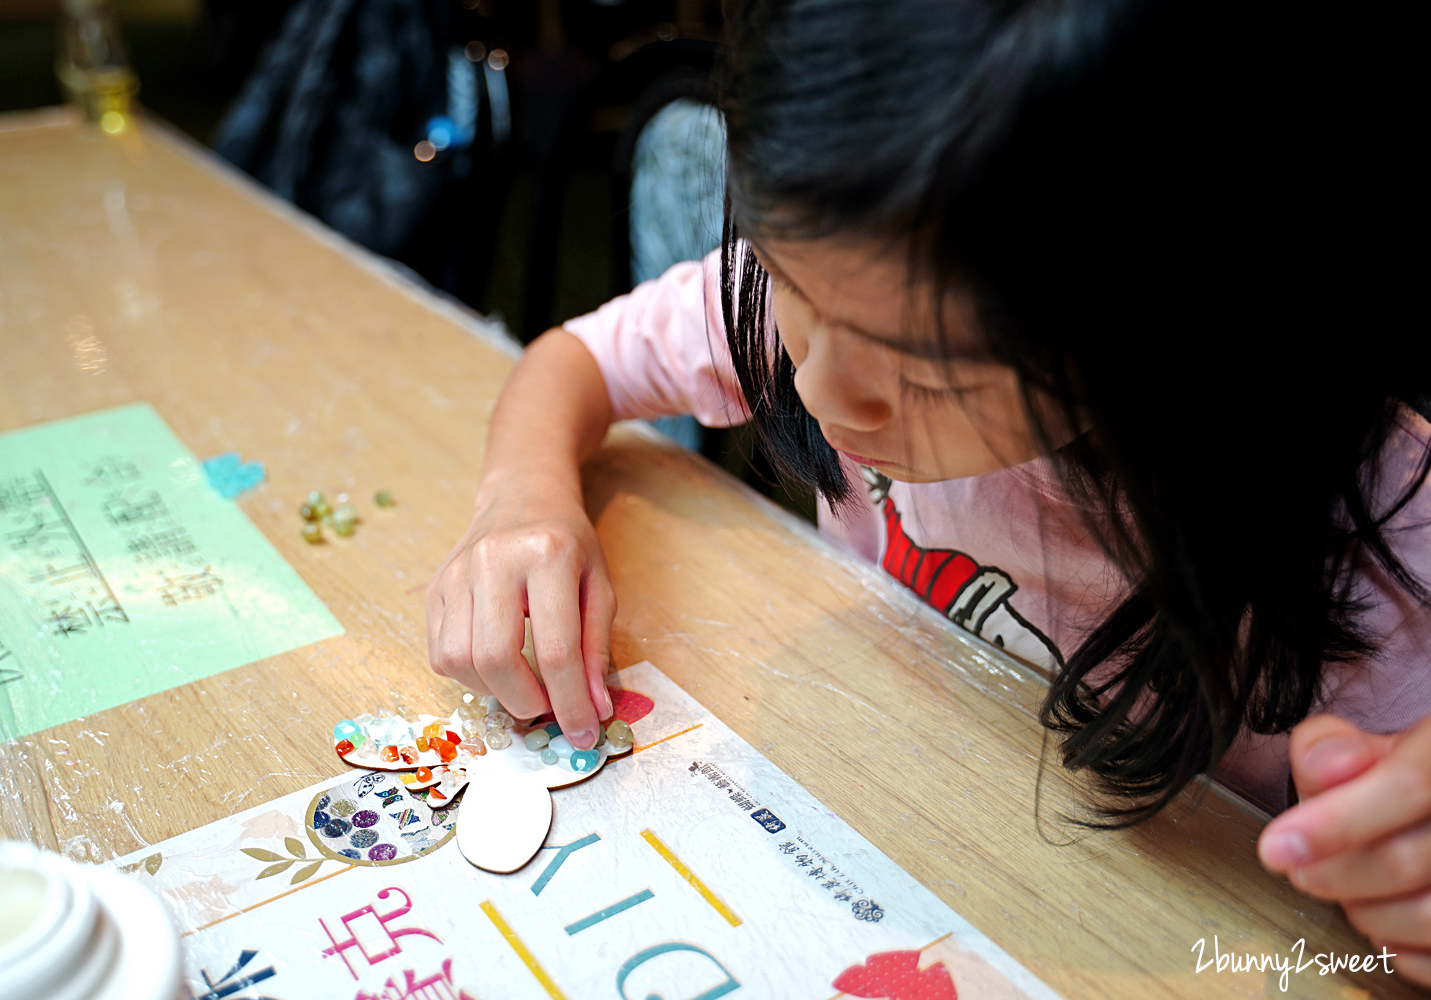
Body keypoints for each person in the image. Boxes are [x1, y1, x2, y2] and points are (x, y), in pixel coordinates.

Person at [425, 0, 1431, 979]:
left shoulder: (1385, 546)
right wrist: (523, 496)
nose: (817, 388)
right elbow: (578, 361)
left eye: (931, 372)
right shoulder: (861, 276)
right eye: (787, 284)